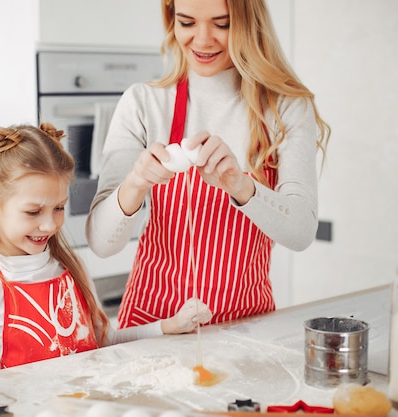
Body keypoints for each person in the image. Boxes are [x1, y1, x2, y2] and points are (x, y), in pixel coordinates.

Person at [0, 123, 212, 391]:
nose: (50, 224)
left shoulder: (69, 269)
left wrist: (166, 327)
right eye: (33, 211)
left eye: (59, 208)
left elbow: (100, 342)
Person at [85, 0, 330, 328]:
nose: (202, 40)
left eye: (222, 24)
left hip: (246, 326)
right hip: (154, 326)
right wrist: (135, 183)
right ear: (172, 20)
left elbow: (301, 232)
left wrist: (241, 186)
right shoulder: (144, 103)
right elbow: (101, 243)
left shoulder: (285, 109)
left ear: (248, 23)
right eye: (187, 23)